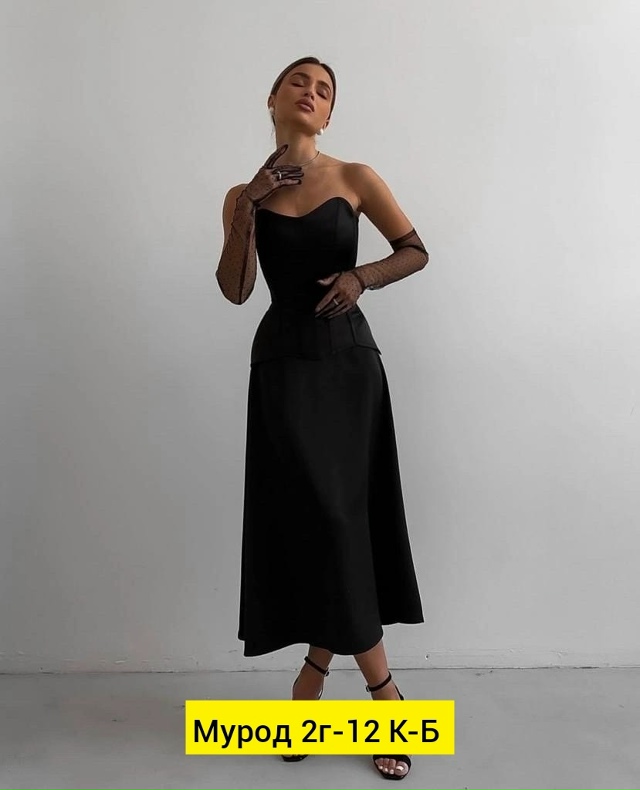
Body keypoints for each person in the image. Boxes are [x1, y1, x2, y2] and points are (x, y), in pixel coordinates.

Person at [215, 56, 430, 780]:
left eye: (324, 89)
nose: (311, 93)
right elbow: (236, 289)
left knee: (343, 520)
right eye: (299, 83)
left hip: (347, 366)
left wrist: (361, 277)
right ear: (272, 98)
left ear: (330, 114)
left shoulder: (355, 177)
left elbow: (415, 251)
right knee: (317, 522)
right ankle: (352, 684)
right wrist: (248, 206)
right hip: (282, 367)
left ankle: (349, 689)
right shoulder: (241, 195)